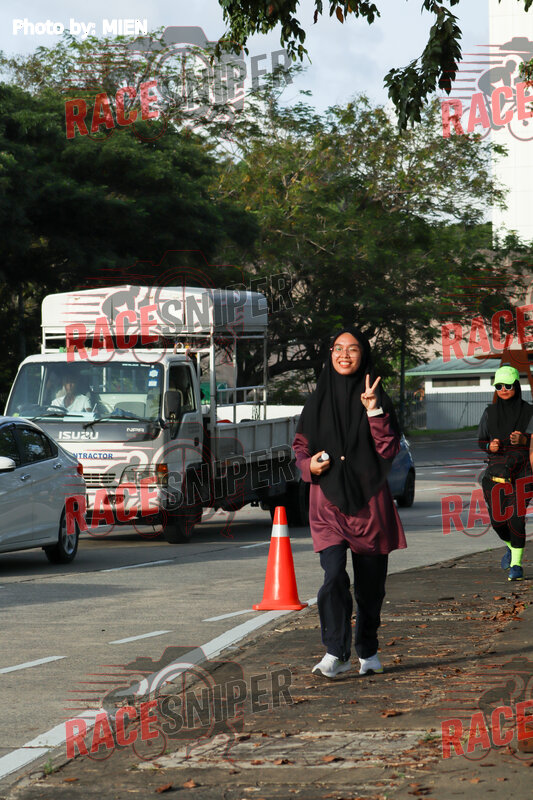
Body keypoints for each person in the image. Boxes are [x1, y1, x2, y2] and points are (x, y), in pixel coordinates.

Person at [292, 328, 407, 679]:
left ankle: (367, 651)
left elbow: (389, 449)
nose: (344, 355)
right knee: (333, 578)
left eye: (353, 349)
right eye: (338, 348)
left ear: (363, 355)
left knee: (370, 590)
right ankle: (335, 652)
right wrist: (308, 466)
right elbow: (301, 447)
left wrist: (373, 412)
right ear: (330, 353)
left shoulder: (377, 398)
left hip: (369, 508)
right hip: (327, 506)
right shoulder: (316, 400)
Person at [478, 365, 532, 582]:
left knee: (516, 520)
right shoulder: (489, 413)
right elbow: (481, 440)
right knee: (498, 522)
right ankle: (511, 546)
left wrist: (525, 439)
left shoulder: (529, 412)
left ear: (516, 386)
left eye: (507, 386)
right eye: (498, 386)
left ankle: (516, 565)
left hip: (523, 474)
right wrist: (489, 446)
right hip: (495, 476)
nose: (503, 390)